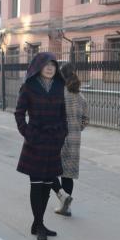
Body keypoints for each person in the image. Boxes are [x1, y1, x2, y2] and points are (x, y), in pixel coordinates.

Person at [15, 52, 68, 240]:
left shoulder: (60, 86)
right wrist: (29, 134)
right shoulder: (29, 87)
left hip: (53, 142)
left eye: (53, 65)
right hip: (35, 142)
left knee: (47, 186)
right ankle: (38, 225)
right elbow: (19, 113)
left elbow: (64, 114)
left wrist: (62, 133)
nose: (50, 68)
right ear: (38, 66)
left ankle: (39, 223)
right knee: (37, 186)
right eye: (46, 64)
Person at [51, 64, 88, 217]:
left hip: (59, 137)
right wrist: (76, 128)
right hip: (74, 139)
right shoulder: (81, 97)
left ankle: (62, 197)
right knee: (68, 174)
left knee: (48, 169)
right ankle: (65, 206)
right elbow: (85, 120)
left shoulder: (59, 93)